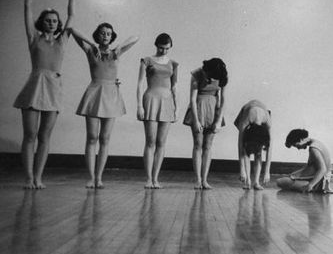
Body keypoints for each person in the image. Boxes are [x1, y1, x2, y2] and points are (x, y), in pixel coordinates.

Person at [13, 0, 75, 189]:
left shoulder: (63, 40)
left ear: (58, 24)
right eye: (48, 20)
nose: (51, 23)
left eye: (55, 21)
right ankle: (29, 178)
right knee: (30, 135)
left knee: (45, 137)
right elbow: (27, 9)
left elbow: (71, 17)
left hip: (53, 88)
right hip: (34, 86)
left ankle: (39, 177)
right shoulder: (34, 37)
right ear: (42, 22)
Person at [71, 23, 139, 188]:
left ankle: (99, 177)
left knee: (105, 138)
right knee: (92, 137)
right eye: (102, 33)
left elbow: (136, 37)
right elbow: (74, 30)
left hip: (111, 95)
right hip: (95, 93)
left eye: (108, 33)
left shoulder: (117, 52)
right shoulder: (90, 51)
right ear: (97, 35)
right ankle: (91, 176)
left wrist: (118, 47)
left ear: (112, 36)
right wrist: (92, 44)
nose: (105, 36)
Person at [137, 33, 178, 189]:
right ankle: (148, 178)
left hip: (167, 102)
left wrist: (177, 106)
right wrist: (139, 105)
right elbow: (140, 83)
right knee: (150, 141)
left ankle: (156, 178)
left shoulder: (173, 63)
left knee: (161, 142)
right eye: (161, 48)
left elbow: (174, 86)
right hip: (151, 99)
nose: (164, 51)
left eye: (167, 48)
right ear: (156, 45)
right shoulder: (146, 60)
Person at [183, 58, 228, 189]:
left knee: (208, 145)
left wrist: (219, 120)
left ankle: (205, 180)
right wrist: (196, 121)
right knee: (198, 144)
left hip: (213, 109)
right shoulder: (197, 73)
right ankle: (197, 180)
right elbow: (192, 98)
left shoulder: (222, 76)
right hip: (198, 108)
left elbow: (224, 99)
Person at [276, 129, 333, 194]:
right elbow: (310, 167)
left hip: (320, 182)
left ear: (301, 139)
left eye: (296, 145)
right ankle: (309, 186)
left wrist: (310, 185)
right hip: (321, 179)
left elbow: (323, 169)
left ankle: (313, 188)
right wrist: (294, 175)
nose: (298, 148)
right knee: (287, 178)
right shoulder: (316, 143)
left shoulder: (314, 149)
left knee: (280, 182)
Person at [234, 100, 272, 189]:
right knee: (246, 150)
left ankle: (256, 182)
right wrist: (242, 170)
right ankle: (248, 181)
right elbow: (240, 145)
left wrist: (267, 172)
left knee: (258, 153)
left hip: (262, 111)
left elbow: (269, 149)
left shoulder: (267, 123)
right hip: (246, 110)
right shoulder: (245, 120)